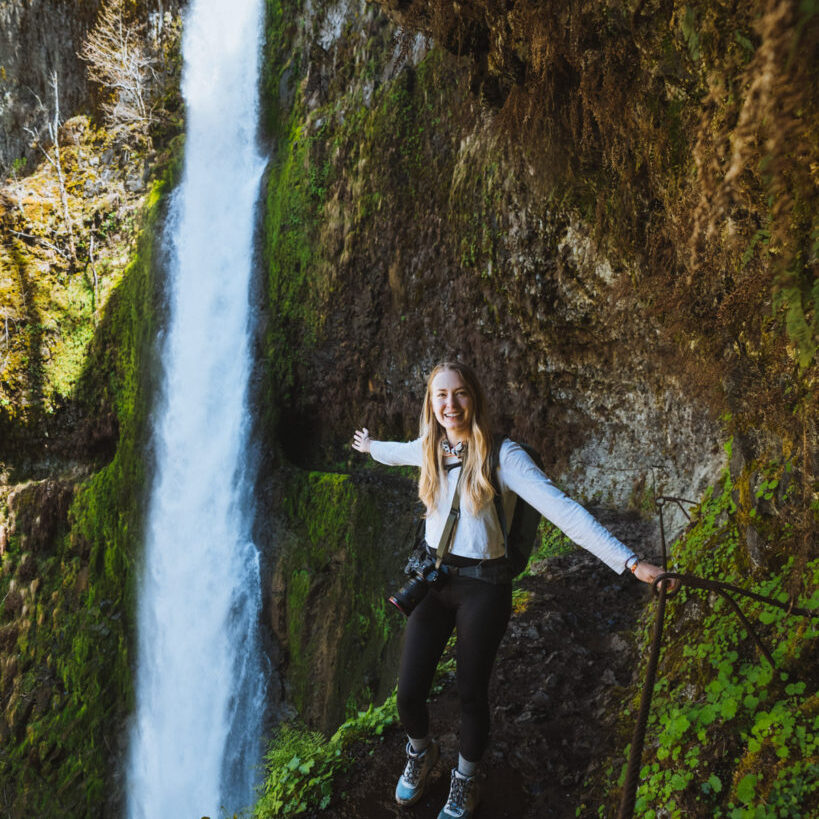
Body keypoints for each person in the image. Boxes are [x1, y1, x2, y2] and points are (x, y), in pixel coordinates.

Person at [352, 361, 671, 819]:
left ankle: (465, 781)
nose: (450, 404)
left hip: (483, 587)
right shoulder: (428, 448)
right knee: (407, 693)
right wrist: (367, 447)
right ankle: (422, 752)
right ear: (431, 402)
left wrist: (633, 563)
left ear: (475, 397)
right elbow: (394, 451)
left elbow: (564, 511)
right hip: (434, 580)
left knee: (469, 692)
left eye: (460, 393)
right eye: (441, 395)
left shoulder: (504, 456)